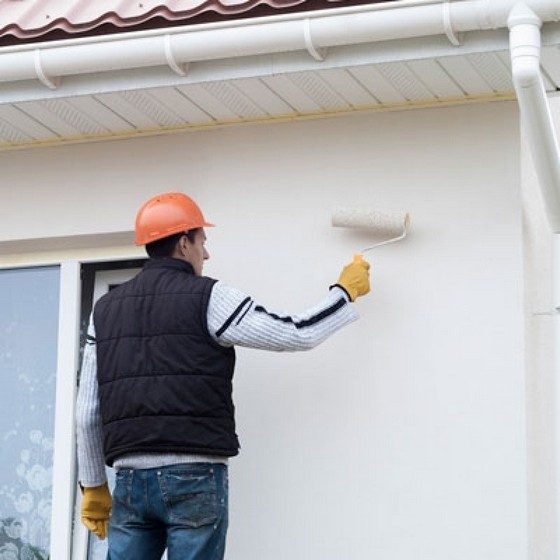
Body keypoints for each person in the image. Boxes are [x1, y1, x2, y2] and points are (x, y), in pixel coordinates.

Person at [75, 192, 370, 560]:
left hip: (130, 484)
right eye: (203, 242)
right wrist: (344, 294)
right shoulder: (209, 297)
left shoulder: (104, 310)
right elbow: (296, 332)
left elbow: (87, 410)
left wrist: (92, 485)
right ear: (184, 243)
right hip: (194, 478)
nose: (207, 254)